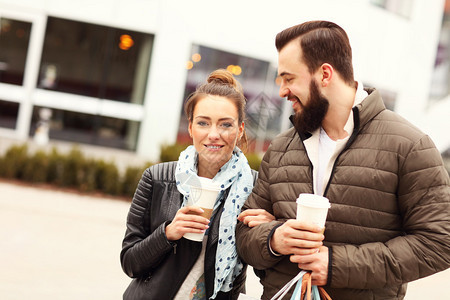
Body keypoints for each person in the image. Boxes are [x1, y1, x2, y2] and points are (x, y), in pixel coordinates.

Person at [235, 20, 450, 299]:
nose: (282, 91)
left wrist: (337, 265)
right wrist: (274, 239)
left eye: (289, 79)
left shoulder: (410, 146)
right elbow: (244, 236)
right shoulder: (280, 149)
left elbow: (439, 242)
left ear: (325, 74)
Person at [120, 69, 274, 300]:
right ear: (191, 127)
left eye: (225, 125)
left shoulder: (256, 187)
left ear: (240, 129)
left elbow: (266, 272)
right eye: (203, 123)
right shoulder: (157, 178)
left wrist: (268, 235)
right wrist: (168, 233)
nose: (213, 134)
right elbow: (130, 263)